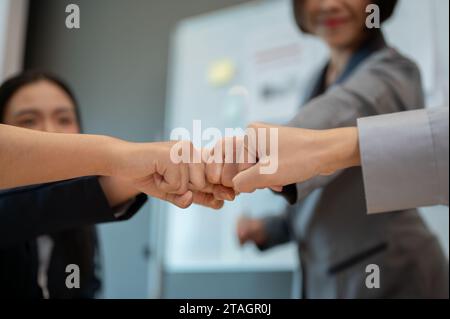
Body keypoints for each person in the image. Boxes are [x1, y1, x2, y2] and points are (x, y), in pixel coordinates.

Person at [208, 0, 449, 298]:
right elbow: (322, 199)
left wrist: (258, 152)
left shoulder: (394, 72)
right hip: (329, 276)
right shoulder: (315, 80)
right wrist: (270, 229)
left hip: (392, 274)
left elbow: (342, 114)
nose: (331, 4)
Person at [0, 71, 232, 298]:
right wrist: (125, 165)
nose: (50, 132)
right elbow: (25, 210)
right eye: (28, 120)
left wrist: (136, 175)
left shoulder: (78, 228)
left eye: (64, 119)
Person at [232, 108, 449, 214]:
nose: (329, 15)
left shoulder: (391, 69)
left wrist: (316, 149)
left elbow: (332, 115)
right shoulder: (316, 77)